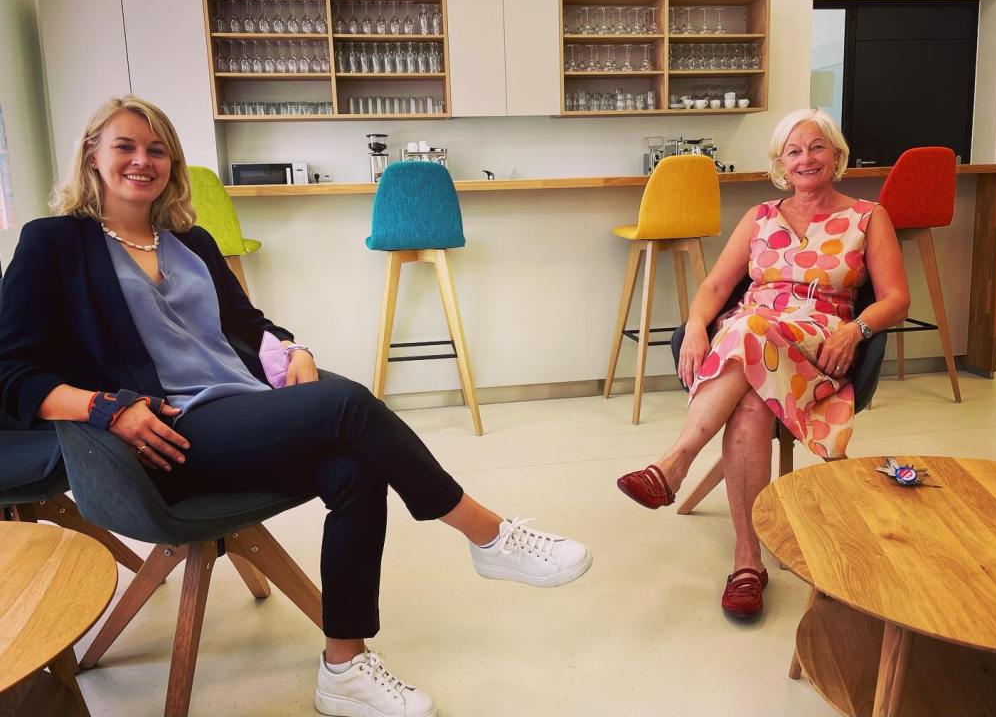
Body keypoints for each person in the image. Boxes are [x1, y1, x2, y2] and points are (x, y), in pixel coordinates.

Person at [0, 95, 592, 717]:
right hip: (165, 435)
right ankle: (487, 534)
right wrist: (105, 409)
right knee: (347, 405)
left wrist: (294, 348)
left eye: (157, 150)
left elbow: (250, 324)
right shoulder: (54, 243)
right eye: (125, 146)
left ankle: (344, 668)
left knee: (354, 469)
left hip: (241, 411)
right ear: (92, 155)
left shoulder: (191, 241)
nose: (142, 161)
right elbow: (10, 371)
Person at [616, 108, 909, 618]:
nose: (805, 159)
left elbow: (897, 299)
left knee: (747, 329)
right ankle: (747, 563)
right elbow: (715, 285)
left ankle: (674, 463)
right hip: (749, 345)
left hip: (818, 343)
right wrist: (694, 326)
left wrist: (856, 330)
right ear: (780, 164)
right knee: (751, 397)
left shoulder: (868, 216)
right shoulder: (760, 216)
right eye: (793, 151)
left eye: (816, 147)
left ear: (836, 155)